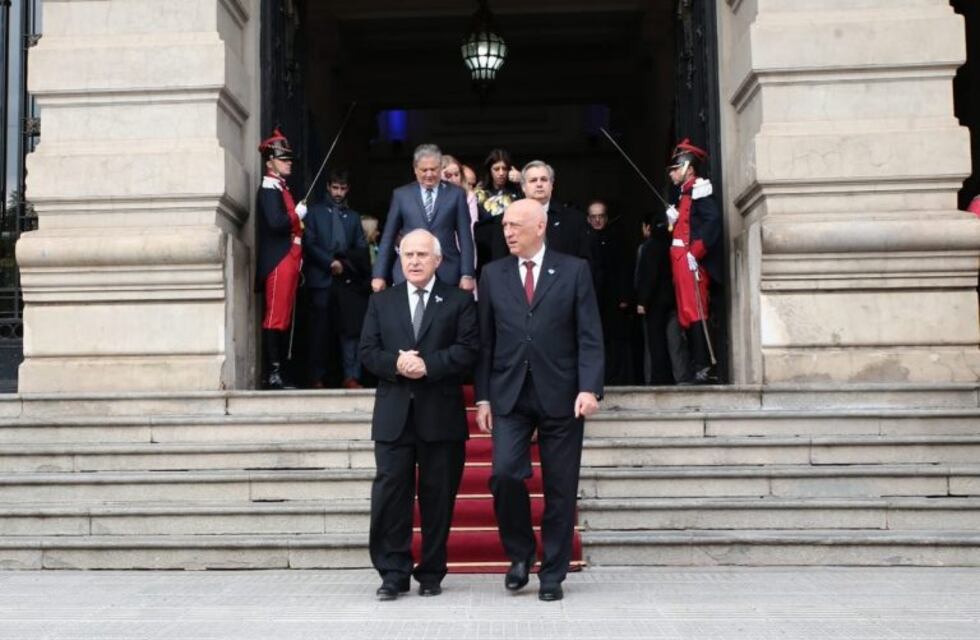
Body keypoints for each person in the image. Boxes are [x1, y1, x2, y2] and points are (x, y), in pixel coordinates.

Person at [475, 199, 604, 602]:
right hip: (510, 393)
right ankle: (519, 553)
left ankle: (553, 573)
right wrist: (482, 397)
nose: (508, 232)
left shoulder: (574, 270)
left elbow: (589, 335)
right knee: (505, 474)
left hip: (562, 394)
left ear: (540, 226)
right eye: (505, 226)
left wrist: (589, 387)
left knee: (561, 487)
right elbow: (485, 343)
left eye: (515, 225)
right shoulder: (493, 274)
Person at [359, 229, 479, 601]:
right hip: (394, 416)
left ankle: (431, 571)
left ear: (438, 261)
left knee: (437, 497)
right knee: (390, 496)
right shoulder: (383, 301)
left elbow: (469, 350)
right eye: (407, 254)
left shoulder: (459, 301)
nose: (413, 261)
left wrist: (428, 365)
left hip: (440, 416)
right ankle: (392, 573)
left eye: (422, 255)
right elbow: (367, 351)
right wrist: (398, 363)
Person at [371, 144, 476, 294]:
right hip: (409, 271)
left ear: (440, 168)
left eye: (433, 169)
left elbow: (465, 237)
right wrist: (379, 275)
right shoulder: (401, 195)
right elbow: (388, 236)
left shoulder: (456, 194)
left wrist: (467, 274)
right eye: (424, 170)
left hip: (447, 270)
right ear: (415, 169)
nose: (429, 174)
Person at [303, 169, 370, 389]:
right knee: (319, 330)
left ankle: (351, 375)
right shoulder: (314, 213)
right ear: (328, 187)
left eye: (342, 188)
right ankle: (317, 377)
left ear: (347, 189)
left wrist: (344, 265)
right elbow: (309, 243)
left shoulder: (352, 217)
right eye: (335, 188)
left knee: (350, 330)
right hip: (320, 279)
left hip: (346, 280)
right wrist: (328, 262)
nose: (338, 193)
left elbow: (361, 248)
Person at [665, 139, 722, 384]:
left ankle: (705, 364)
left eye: (675, 168)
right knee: (686, 314)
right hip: (679, 260)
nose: (672, 174)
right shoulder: (684, 193)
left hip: (690, 261)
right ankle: (695, 363)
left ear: (688, 166)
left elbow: (712, 223)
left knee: (697, 310)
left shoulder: (699, 190)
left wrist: (696, 252)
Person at [256, 128, 306, 389]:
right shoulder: (269, 188)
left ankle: (281, 372)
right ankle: (273, 374)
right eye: (283, 159)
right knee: (275, 316)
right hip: (279, 259)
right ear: (270, 162)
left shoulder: (281, 187)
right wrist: (297, 215)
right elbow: (276, 223)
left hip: (290, 256)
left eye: (289, 159)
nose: (288, 163)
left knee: (284, 316)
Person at [586, 199, 632, 384]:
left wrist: (624, 296)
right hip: (592, 300)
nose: (597, 220)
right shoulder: (584, 239)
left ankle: (617, 378)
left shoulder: (617, 239)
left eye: (601, 216)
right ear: (588, 219)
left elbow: (625, 269)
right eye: (593, 217)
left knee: (616, 340)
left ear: (606, 218)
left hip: (614, 300)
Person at [522, 161, 593, 264]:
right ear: (523, 187)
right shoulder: (508, 220)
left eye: (544, 179)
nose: (539, 184)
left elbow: (585, 263)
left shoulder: (575, 220)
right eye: (533, 180)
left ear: (551, 185)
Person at [635, 211, 676, 385]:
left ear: (648, 228)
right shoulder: (671, 244)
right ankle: (676, 375)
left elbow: (649, 276)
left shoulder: (650, 247)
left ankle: (660, 378)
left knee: (656, 339)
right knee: (674, 341)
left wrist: (642, 301)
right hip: (672, 298)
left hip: (655, 302)